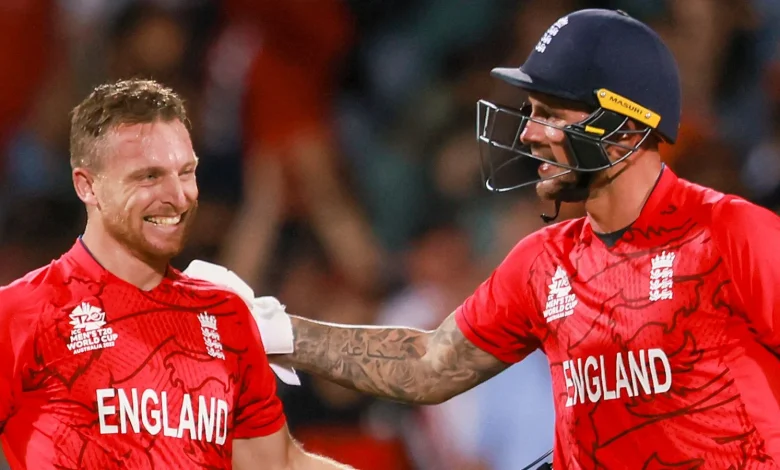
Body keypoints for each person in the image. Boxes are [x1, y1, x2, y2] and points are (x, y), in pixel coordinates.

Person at [243, 8, 780, 470]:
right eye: (531, 113)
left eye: (551, 114)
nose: (528, 133)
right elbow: (431, 365)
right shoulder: (542, 263)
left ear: (623, 129)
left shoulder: (732, 234)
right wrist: (275, 332)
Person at [0, 79, 352, 469]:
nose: (178, 196)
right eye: (149, 176)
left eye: (185, 172)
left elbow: (278, 465)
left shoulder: (226, 314)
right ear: (88, 187)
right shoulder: (20, 314)